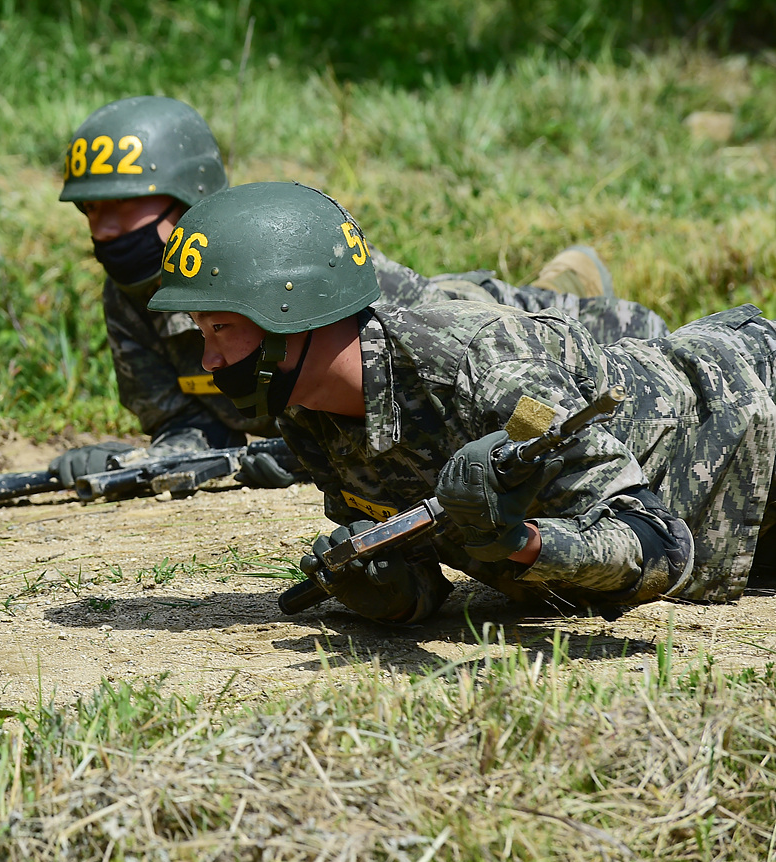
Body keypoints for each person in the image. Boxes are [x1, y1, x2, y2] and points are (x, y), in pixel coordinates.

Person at [146, 180, 776, 622]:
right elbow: (430, 565)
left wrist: (519, 541)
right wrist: (385, 583)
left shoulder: (484, 369)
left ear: (291, 310)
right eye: (202, 333)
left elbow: (659, 542)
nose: (209, 361)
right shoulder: (309, 414)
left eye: (221, 329)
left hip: (750, 419)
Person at [51, 95, 671, 491]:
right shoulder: (132, 297)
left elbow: (432, 365)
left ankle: (563, 284)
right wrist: (147, 460)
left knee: (629, 345)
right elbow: (189, 420)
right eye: (91, 212)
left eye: (123, 205)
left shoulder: (289, 263)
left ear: (186, 195)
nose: (104, 230)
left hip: (478, 317)